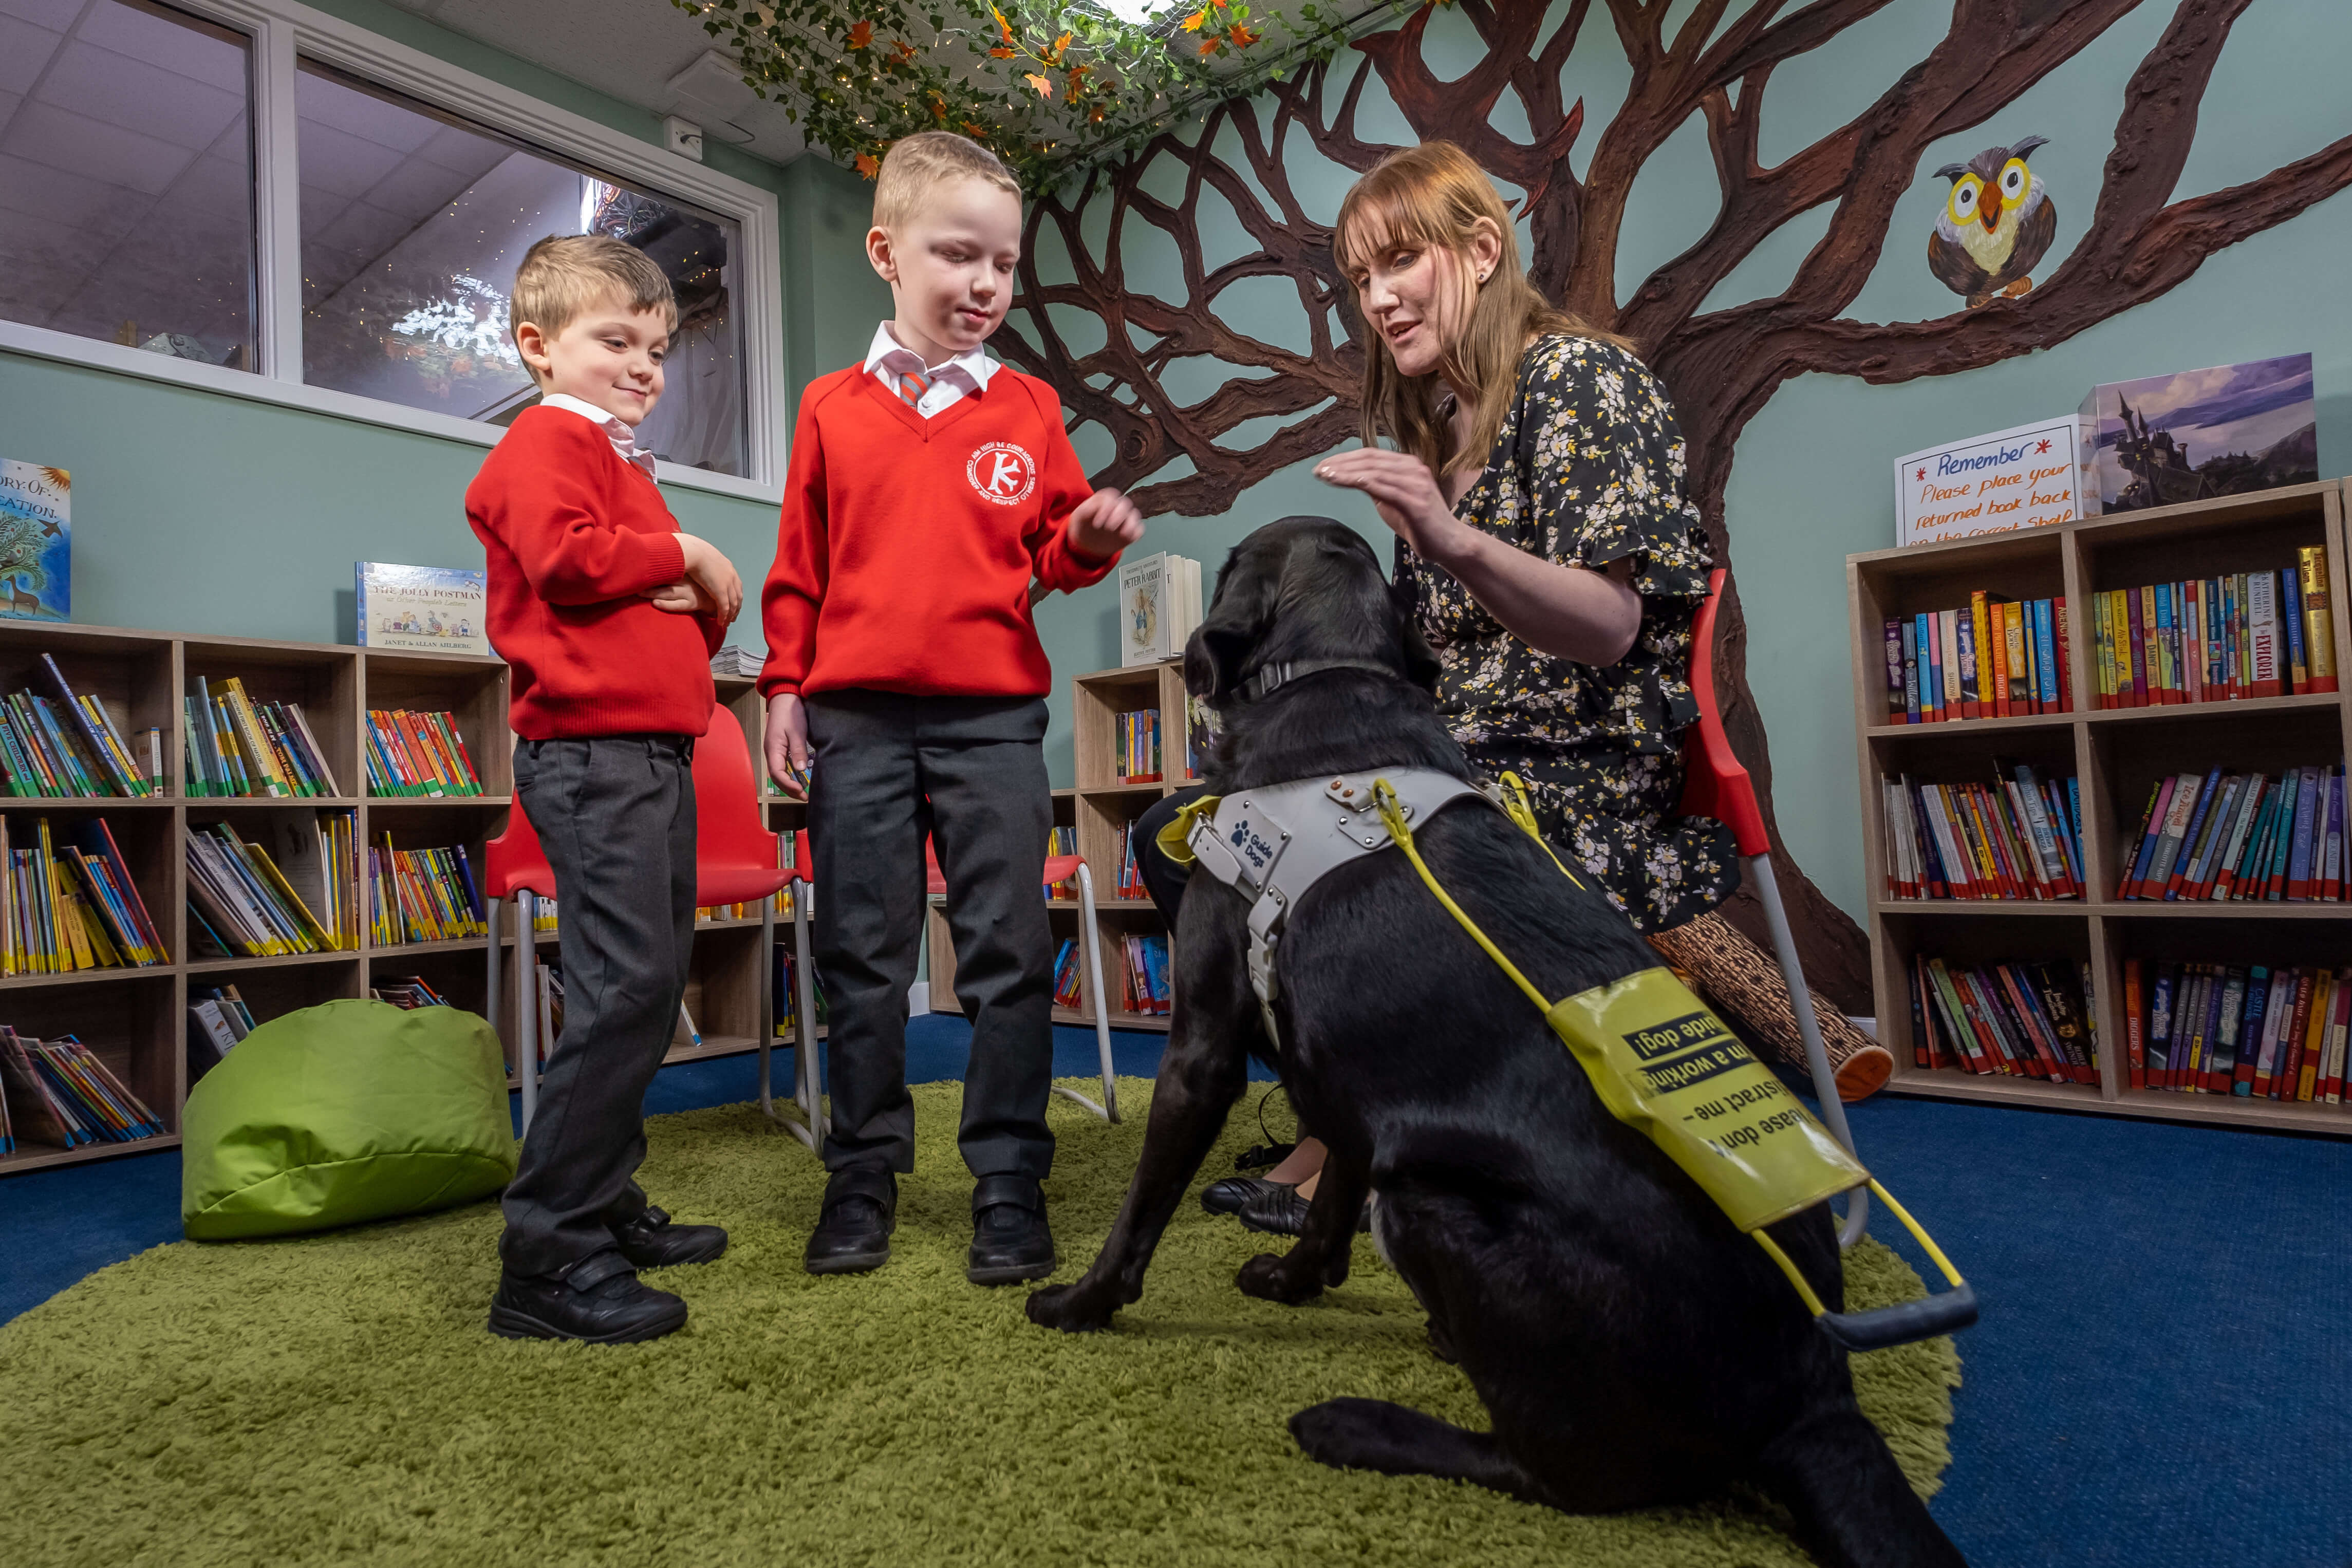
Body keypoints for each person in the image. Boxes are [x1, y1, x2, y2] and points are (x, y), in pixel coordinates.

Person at [1140, 140, 1889, 1235]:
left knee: (1336, 858)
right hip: (1451, 770)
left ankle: (1350, 1140)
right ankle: (1355, 1114)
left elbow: (1611, 623)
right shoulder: (1438, 434)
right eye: (1360, 278)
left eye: (1401, 260)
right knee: (1193, 833)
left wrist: (1450, 541)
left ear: (1482, 248)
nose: (1380, 298)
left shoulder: (1581, 381)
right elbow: (1434, 662)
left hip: (1572, 777)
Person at [760, 132, 1145, 1285]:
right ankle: (863, 1171)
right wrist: (785, 687)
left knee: (1008, 953)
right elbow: (798, 569)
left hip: (991, 722)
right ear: (887, 252)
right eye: (957, 254)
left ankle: (1009, 1180)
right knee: (861, 952)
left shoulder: (1029, 407)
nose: (985, 284)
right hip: (857, 721)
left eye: (1004, 264)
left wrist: (1081, 540)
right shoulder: (830, 406)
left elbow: (1056, 548)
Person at [470, 234, 745, 1343]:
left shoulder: (620, 460)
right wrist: (683, 549)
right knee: (627, 988)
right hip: (594, 756)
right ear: (539, 349)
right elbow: (566, 560)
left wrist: (702, 582)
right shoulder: (544, 441)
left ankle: (601, 1190)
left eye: (660, 347)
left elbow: (689, 626)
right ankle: (546, 1252)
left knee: (640, 984)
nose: (645, 365)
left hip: (653, 749)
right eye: (616, 340)